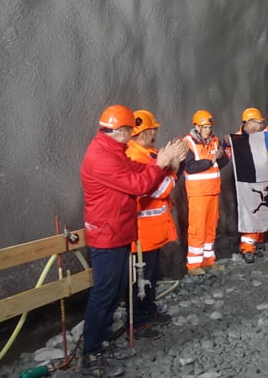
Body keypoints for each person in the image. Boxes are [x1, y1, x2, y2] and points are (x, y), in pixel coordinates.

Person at [80, 105, 187, 376]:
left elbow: (138, 175)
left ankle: (101, 342)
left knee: (114, 291)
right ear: (122, 130)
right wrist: (162, 163)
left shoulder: (111, 150)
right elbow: (138, 185)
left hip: (116, 232)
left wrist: (160, 163)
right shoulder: (102, 156)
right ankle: (91, 352)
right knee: (104, 292)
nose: (131, 136)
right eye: (129, 131)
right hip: (108, 235)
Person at [124, 110, 181, 338]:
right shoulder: (136, 157)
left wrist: (170, 165)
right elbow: (160, 189)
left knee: (151, 273)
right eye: (153, 129)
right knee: (140, 276)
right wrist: (174, 172)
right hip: (141, 232)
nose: (156, 133)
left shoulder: (147, 153)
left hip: (152, 230)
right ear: (144, 132)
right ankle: (137, 322)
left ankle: (149, 310)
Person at [181, 110, 229, 275]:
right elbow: (189, 167)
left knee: (211, 227)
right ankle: (194, 265)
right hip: (198, 193)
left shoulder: (214, 141)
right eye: (205, 127)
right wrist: (211, 160)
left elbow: (223, 163)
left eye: (209, 127)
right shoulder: (188, 142)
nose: (208, 130)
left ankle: (208, 261)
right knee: (197, 227)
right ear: (196, 127)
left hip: (213, 191)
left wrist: (221, 155)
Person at [235, 107, 268, 264]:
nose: (260, 126)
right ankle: (247, 248)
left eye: (261, 123)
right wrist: (228, 146)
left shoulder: (260, 137)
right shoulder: (237, 139)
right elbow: (229, 156)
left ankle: (256, 242)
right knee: (249, 214)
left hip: (260, 180)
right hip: (246, 182)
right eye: (258, 123)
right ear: (248, 123)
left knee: (260, 212)